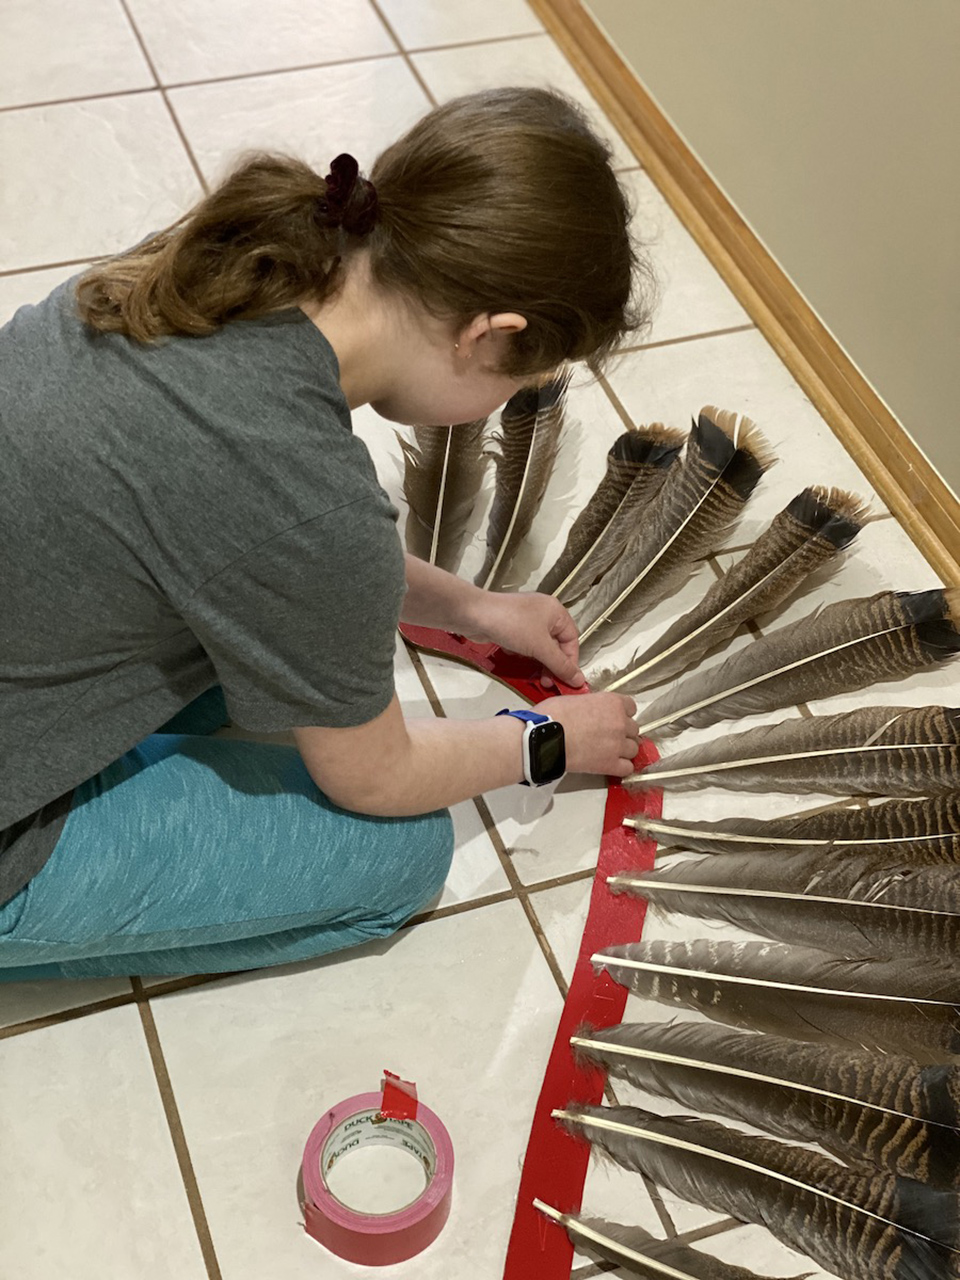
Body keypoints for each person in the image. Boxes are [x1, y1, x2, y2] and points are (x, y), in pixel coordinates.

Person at [0, 87, 653, 982]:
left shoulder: (214, 266)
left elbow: (255, 532)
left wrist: (474, 608)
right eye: (523, 378)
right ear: (488, 335)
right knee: (401, 857)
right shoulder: (307, 500)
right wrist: (542, 742)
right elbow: (372, 777)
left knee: (274, 666)